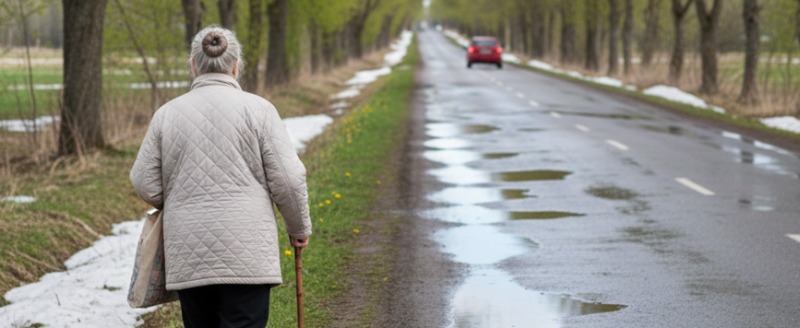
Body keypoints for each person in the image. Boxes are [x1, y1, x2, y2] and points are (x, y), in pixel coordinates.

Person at [130, 25, 311, 328]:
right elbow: (289, 180)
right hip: (247, 251)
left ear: (193, 65)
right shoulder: (260, 110)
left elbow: (142, 181)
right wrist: (299, 228)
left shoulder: (167, 114)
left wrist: (177, 195)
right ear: (236, 66)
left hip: (189, 250)